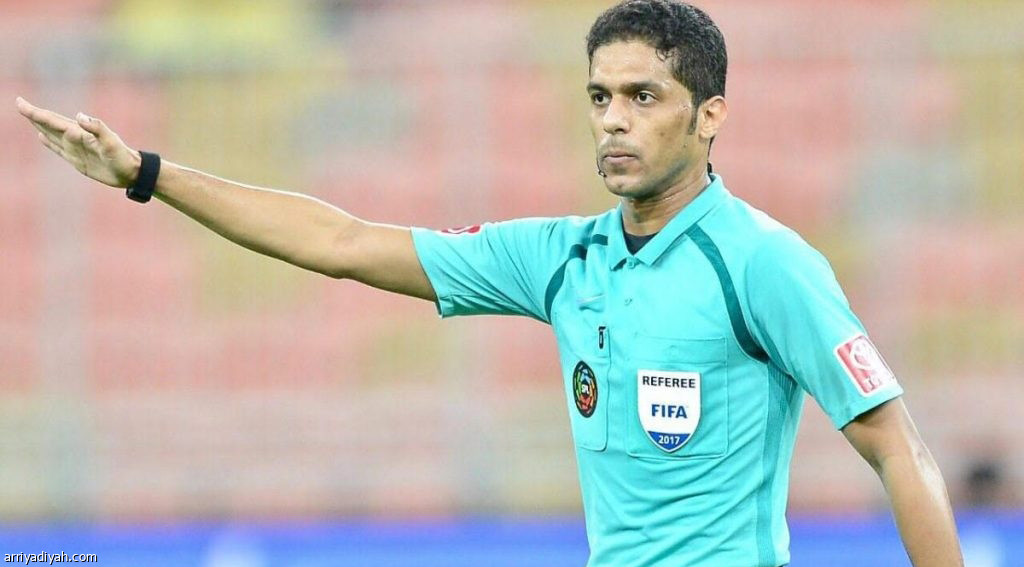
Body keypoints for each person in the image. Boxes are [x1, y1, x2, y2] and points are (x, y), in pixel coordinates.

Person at [16, 1, 963, 565]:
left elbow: (897, 446)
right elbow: (340, 240)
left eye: (643, 97)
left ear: (710, 115)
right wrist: (147, 173)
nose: (613, 121)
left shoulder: (762, 262)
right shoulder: (563, 258)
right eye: (600, 96)